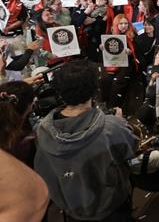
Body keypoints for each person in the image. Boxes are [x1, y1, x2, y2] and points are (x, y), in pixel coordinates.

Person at [34, 60, 138, 221]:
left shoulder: (42, 132)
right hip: (111, 207)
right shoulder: (111, 127)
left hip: (72, 209)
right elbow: (131, 148)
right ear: (95, 90)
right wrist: (120, 122)